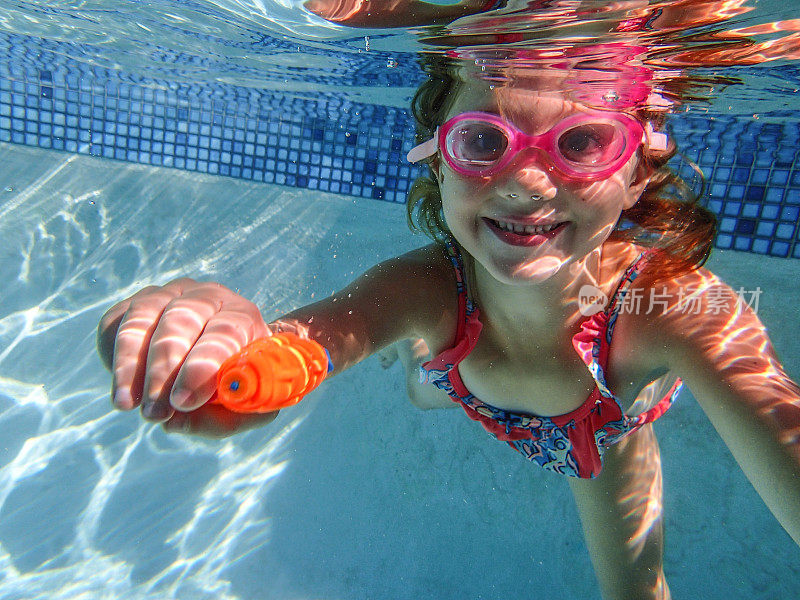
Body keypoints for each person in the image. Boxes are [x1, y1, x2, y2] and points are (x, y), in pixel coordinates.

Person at [96, 45, 800, 600]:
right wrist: (227, 355)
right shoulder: (427, 286)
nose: (526, 183)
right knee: (424, 378)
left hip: (602, 422)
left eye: (583, 141)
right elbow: (306, 340)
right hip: (461, 374)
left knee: (635, 592)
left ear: (638, 172)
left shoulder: (675, 304)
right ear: (440, 162)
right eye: (485, 142)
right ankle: (416, 355)